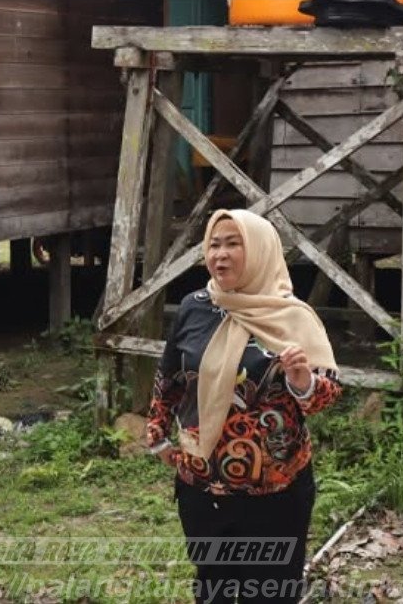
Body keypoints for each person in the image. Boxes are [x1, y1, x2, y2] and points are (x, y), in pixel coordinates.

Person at [146, 209, 342, 604]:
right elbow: (170, 378)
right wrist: (157, 434)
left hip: (275, 493)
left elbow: (324, 397)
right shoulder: (194, 307)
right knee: (213, 589)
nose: (220, 254)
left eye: (233, 244)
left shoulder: (292, 317)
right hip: (202, 486)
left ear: (259, 251)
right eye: (214, 244)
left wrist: (301, 381)